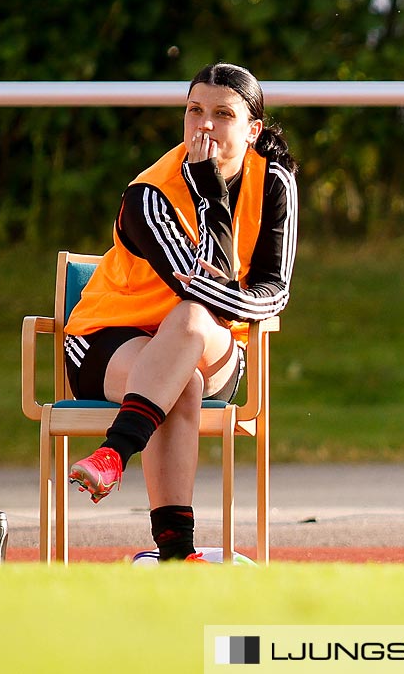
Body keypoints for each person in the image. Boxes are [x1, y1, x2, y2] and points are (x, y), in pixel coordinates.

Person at [65, 63, 299, 562]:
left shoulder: (275, 181)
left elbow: (273, 292)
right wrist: (203, 192)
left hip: (210, 342)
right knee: (180, 379)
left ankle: (115, 453)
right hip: (106, 340)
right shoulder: (147, 195)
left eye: (222, 114)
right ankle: (176, 554)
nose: (204, 125)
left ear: (252, 129)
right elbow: (199, 281)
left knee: (192, 323)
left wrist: (211, 195)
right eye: (195, 111)